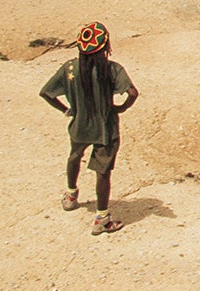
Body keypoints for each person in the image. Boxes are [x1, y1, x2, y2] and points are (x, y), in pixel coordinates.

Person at [39, 22, 140, 234]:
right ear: (105, 46)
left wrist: (67, 110)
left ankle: (70, 195)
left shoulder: (69, 68)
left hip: (80, 125)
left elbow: (46, 93)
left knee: (74, 157)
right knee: (102, 172)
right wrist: (120, 108)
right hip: (105, 128)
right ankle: (102, 218)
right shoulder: (111, 69)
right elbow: (132, 93)